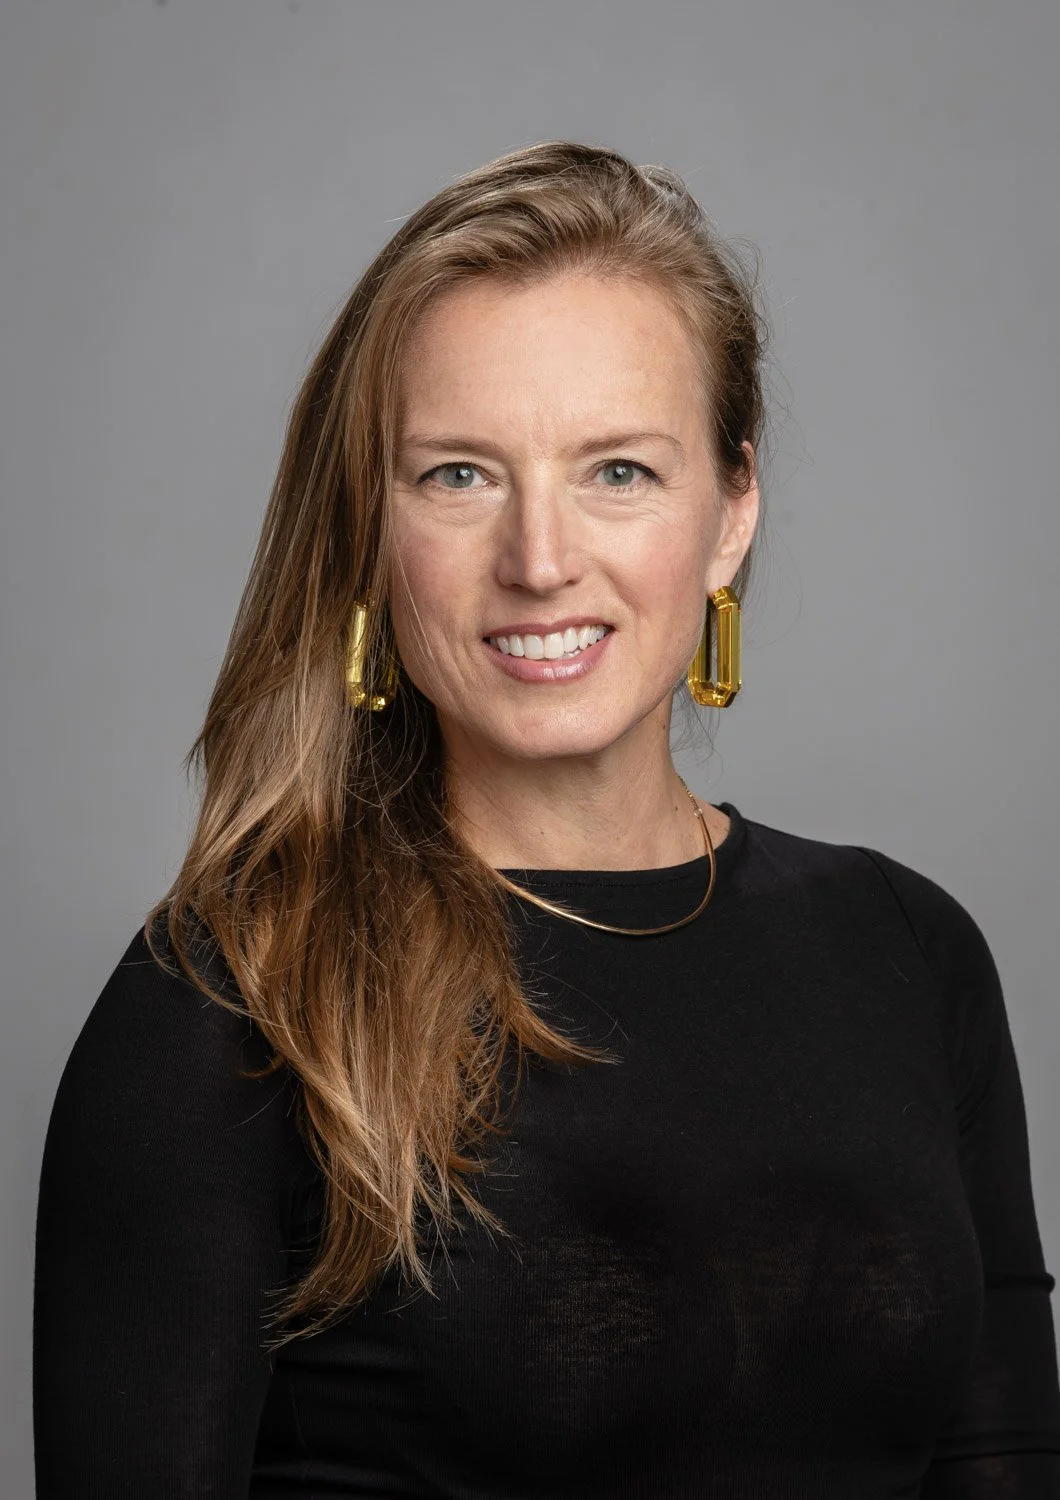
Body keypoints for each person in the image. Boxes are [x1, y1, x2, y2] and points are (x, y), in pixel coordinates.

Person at [32, 140, 1060, 1498]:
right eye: (458, 474)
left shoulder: (913, 954)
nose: (537, 560)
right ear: (369, 522)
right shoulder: (232, 999)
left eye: (618, 471)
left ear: (731, 509)